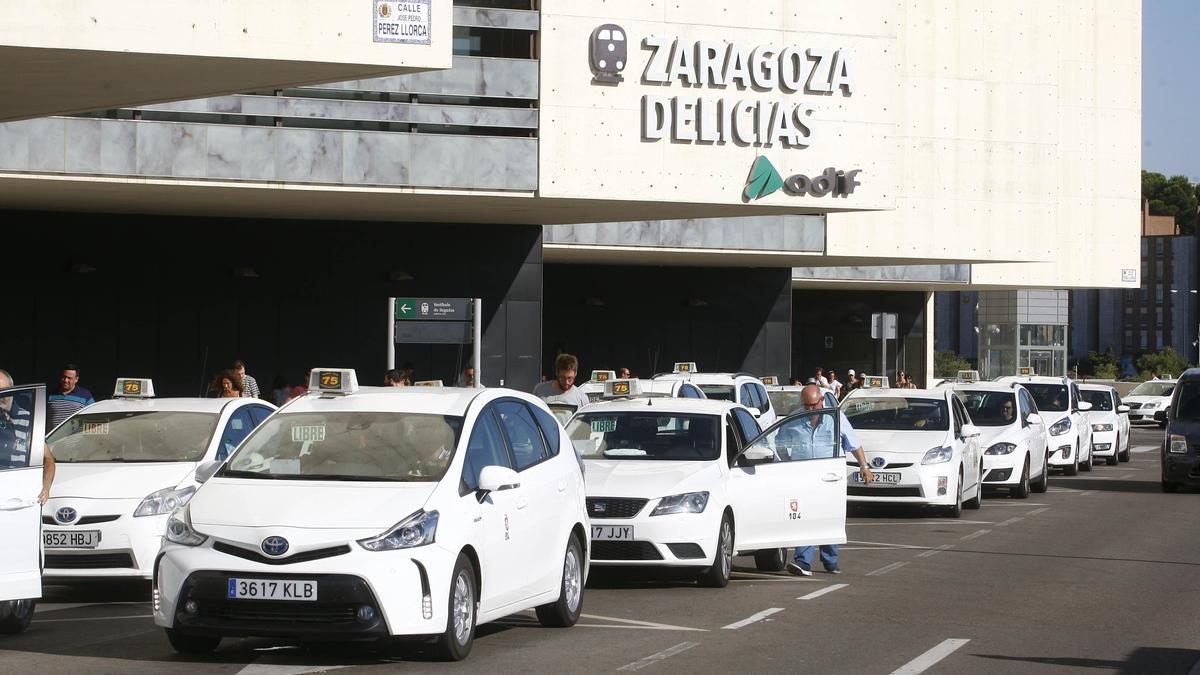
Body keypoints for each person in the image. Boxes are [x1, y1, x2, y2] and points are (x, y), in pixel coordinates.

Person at [786, 384, 873, 577]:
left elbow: (853, 444)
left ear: (821, 401)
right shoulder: (794, 419)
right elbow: (780, 442)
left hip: (830, 478)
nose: (809, 410)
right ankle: (803, 562)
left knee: (828, 518)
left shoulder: (836, 418)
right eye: (806, 406)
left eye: (813, 406)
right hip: (804, 477)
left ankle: (830, 560)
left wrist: (864, 466)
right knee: (806, 517)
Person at [0, 369, 55, 504]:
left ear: (11, 390)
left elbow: (48, 458)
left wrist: (46, 488)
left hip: (23, 491)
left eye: (2, 391)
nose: (0, 396)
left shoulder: (29, 419)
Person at [47, 364, 95, 430]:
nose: (65, 380)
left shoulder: (85, 395)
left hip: (76, 439)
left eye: (69, 378)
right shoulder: (49, 394)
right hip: (52, 439)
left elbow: (94, 416)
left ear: (76, 379)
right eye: (64, 377)